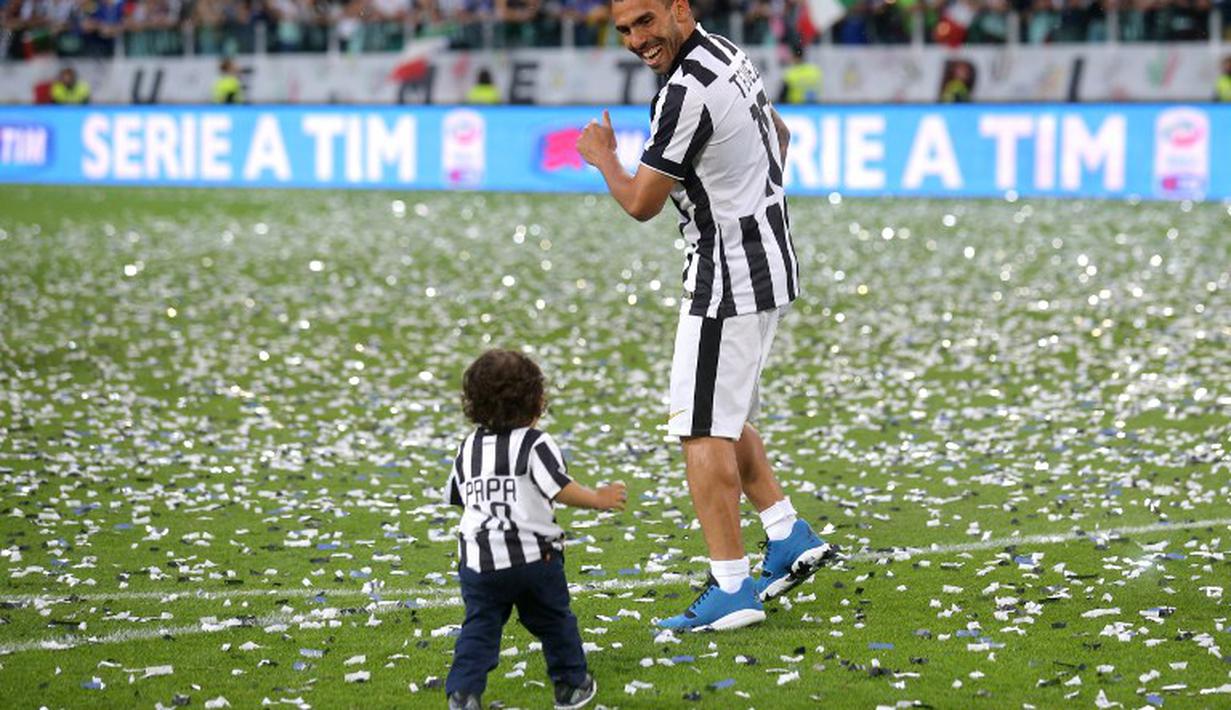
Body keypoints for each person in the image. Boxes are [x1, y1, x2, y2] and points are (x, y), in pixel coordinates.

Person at [574, 0, 837, 632]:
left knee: (701, 428)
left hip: (728, 277)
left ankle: (732, 587)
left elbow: (641, 202)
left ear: (679, 9)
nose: (637, 40)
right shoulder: (727, 53)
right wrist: (752, 198)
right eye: (624, 30)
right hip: (766, 259)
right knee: (723, 413)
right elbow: (779, 135)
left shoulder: (683, 92)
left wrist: (604, 156)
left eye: (646, 21)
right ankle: (786, 533)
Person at [443, 349, 627, 710]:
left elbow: (459, 497)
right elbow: (559, 487)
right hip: (533, 557)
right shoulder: (535, 443)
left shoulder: (468, 448)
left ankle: (463, 693)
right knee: (554, 621)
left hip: (479, 561)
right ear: (536, 400)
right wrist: (596, 498)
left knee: (480, 626)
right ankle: (571, 685)